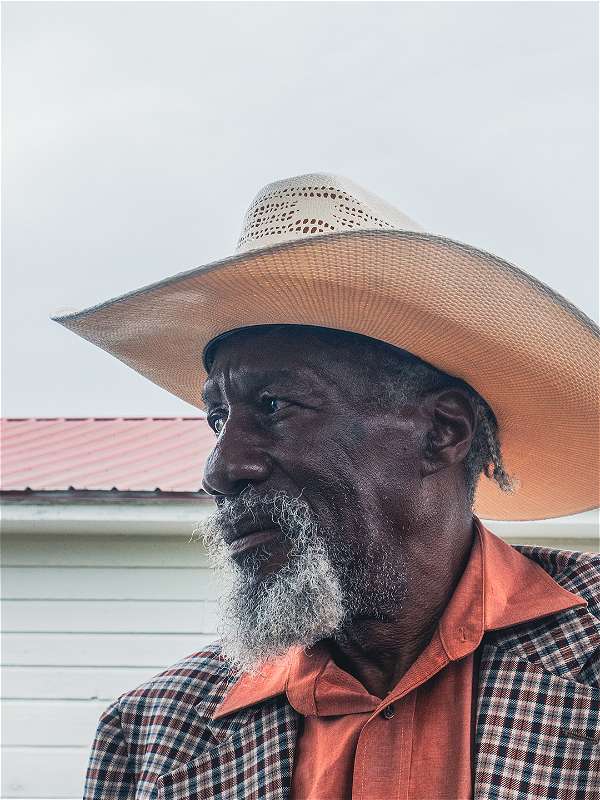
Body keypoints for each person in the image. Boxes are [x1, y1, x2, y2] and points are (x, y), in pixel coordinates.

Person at [55, 174, 599, 799]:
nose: (221, 468)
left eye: (276, 404)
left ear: (442, 432)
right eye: (218, 418)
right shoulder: (153, 738)